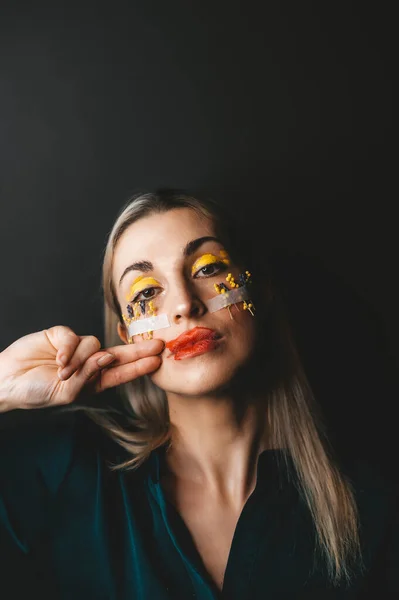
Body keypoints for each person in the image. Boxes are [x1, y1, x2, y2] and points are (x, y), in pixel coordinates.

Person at [0, 189, 397, 599]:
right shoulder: (65, 472)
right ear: (125, 335)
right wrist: (2, 386)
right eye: (146, 292)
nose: (184, 306)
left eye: (207, 269)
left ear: (258, 289)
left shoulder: (373, 506)